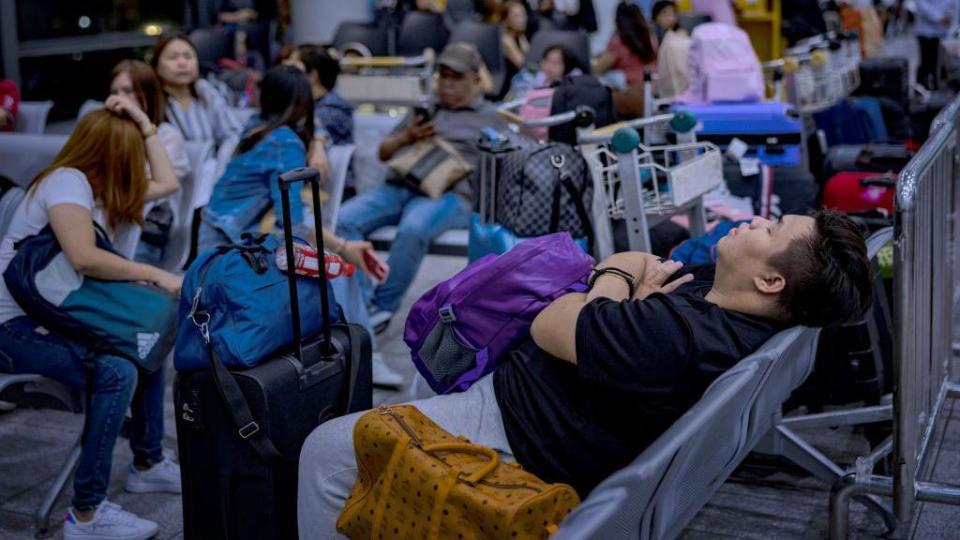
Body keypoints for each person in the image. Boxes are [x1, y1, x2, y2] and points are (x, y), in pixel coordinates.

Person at [297, 209, 874, 535]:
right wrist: (615, 295)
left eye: (771, 230)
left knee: (325, 449)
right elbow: (628, 261)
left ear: (772, 281)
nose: (755, 221)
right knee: (442, 358)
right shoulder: (720, 300)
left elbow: (553, 321)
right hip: (527, 397)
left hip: (514, 430)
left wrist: (610, 298)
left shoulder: (674, 336)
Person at [0, 100, 182, 540]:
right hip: (11, 330)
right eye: (131, 155)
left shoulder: (100, 194)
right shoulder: (66, 183)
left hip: (53, 319)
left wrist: (143, 124)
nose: (138, 165)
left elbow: (170, 182)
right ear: (110, 156)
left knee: (147, 338)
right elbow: (84, 256)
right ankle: (86, 514)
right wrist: (155, 274)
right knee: (117, 370)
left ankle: (147, 462)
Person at [197, 65, 404, 387]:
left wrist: (318, 140)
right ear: (303, 100)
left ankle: (361, 352)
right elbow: (292, 223)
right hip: (234, 249)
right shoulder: (285, 142)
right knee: (341, 272)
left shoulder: (258, 126)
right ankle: (368, 357)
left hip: (217, 236)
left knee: (340, 257)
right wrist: (340, 249)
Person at [335, 42, 508, 332]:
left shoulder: (492, 118)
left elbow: (504, 166)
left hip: (452, 195)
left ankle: (381, 308)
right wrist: (409, 136)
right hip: (400, 187)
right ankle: (361, 303)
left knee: (413, 229)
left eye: (457, 77)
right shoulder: (426, 109)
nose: (448, 85)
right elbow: (383, 152)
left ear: (476, 79)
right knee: (341, 221)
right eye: (444, 76)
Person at [109, 59, 191, 264]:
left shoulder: (166, 135)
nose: (121, 99)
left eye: (128, 91)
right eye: (115, 92)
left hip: (146, 228)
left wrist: (142, 122)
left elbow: (165, 186)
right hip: (108, 222)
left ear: (148, 94)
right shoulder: (110, 133)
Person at [151, 34, 245, 148]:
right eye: (173, 57)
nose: (182, 63)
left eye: (188, 56)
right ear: (156, 66)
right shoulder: (151, 102)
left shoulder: (208, 93)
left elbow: (232, 135)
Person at [284, 45, 355, 183]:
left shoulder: (336, 109)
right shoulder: (300, 103)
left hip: (328, 194)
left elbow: (309, 127)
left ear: (313, 76)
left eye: (294, 64)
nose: (285, 66)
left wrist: (318, 142)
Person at [506, 43, 582, 99]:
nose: (549, 66)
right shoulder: (533, 70)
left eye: (555, 63)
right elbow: (517, 85)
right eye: (546, 60)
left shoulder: (572, 80)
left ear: (567, 66)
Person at [652, 0, 691, 99]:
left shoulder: (681, 36)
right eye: (665, 13)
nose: (670, 17)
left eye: (673, 13)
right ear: (656, 16)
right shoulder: (652, 37)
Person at [915, 0, 957, 90]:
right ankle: (922, 87)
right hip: (926, 32)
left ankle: (937, 86)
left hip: (945, 33)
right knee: (927, 62)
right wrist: (939, 18)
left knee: (941, 63)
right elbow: (922, 5)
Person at [502, 0, 531, 87]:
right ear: (506, 19)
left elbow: (530, 57)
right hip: (509, 86)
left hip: (522, 81)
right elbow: (524, 65)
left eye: (523, 15)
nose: (521, 20)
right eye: (516, 16)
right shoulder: (505, 40)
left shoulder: (520, 36)